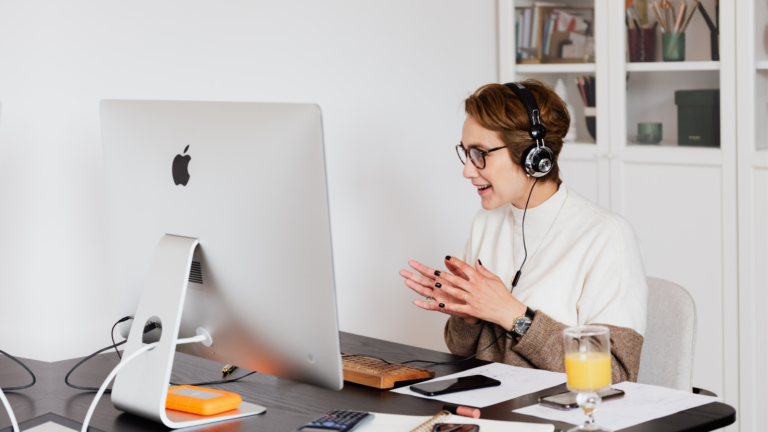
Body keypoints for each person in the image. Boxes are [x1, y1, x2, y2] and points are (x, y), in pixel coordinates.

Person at [399, 79, 648, 382]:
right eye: (465, 153)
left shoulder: (606, 236)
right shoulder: (485, 222)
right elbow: (462, 352)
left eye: (479, 154)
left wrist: (514, 315)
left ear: (533, 156)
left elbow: (616, 374)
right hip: (489, 410)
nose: (467, 169)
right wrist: (468, 317)